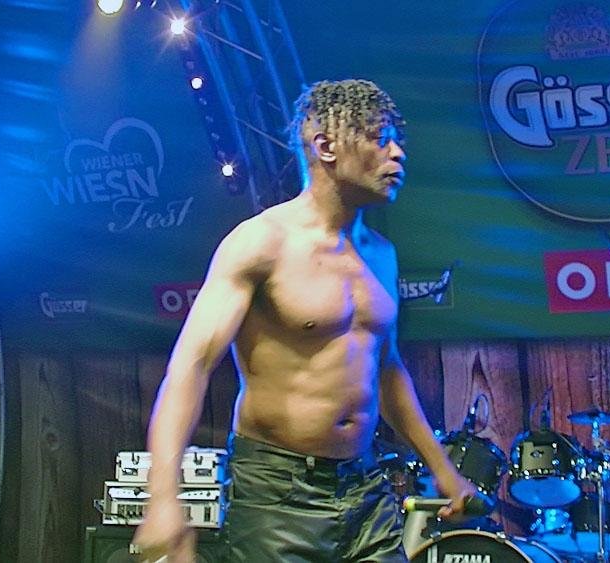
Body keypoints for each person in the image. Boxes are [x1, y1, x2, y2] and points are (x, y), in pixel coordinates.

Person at [134, 79, 476, 562]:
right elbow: (190, 368)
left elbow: (387, 369)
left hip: (365, 487)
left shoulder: (381, 254)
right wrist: (163, 499)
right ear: (326, 147)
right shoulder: (261, 243)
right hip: (277, 494)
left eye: (396, 141)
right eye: (380, 139)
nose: (397, 154)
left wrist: (444, 470)